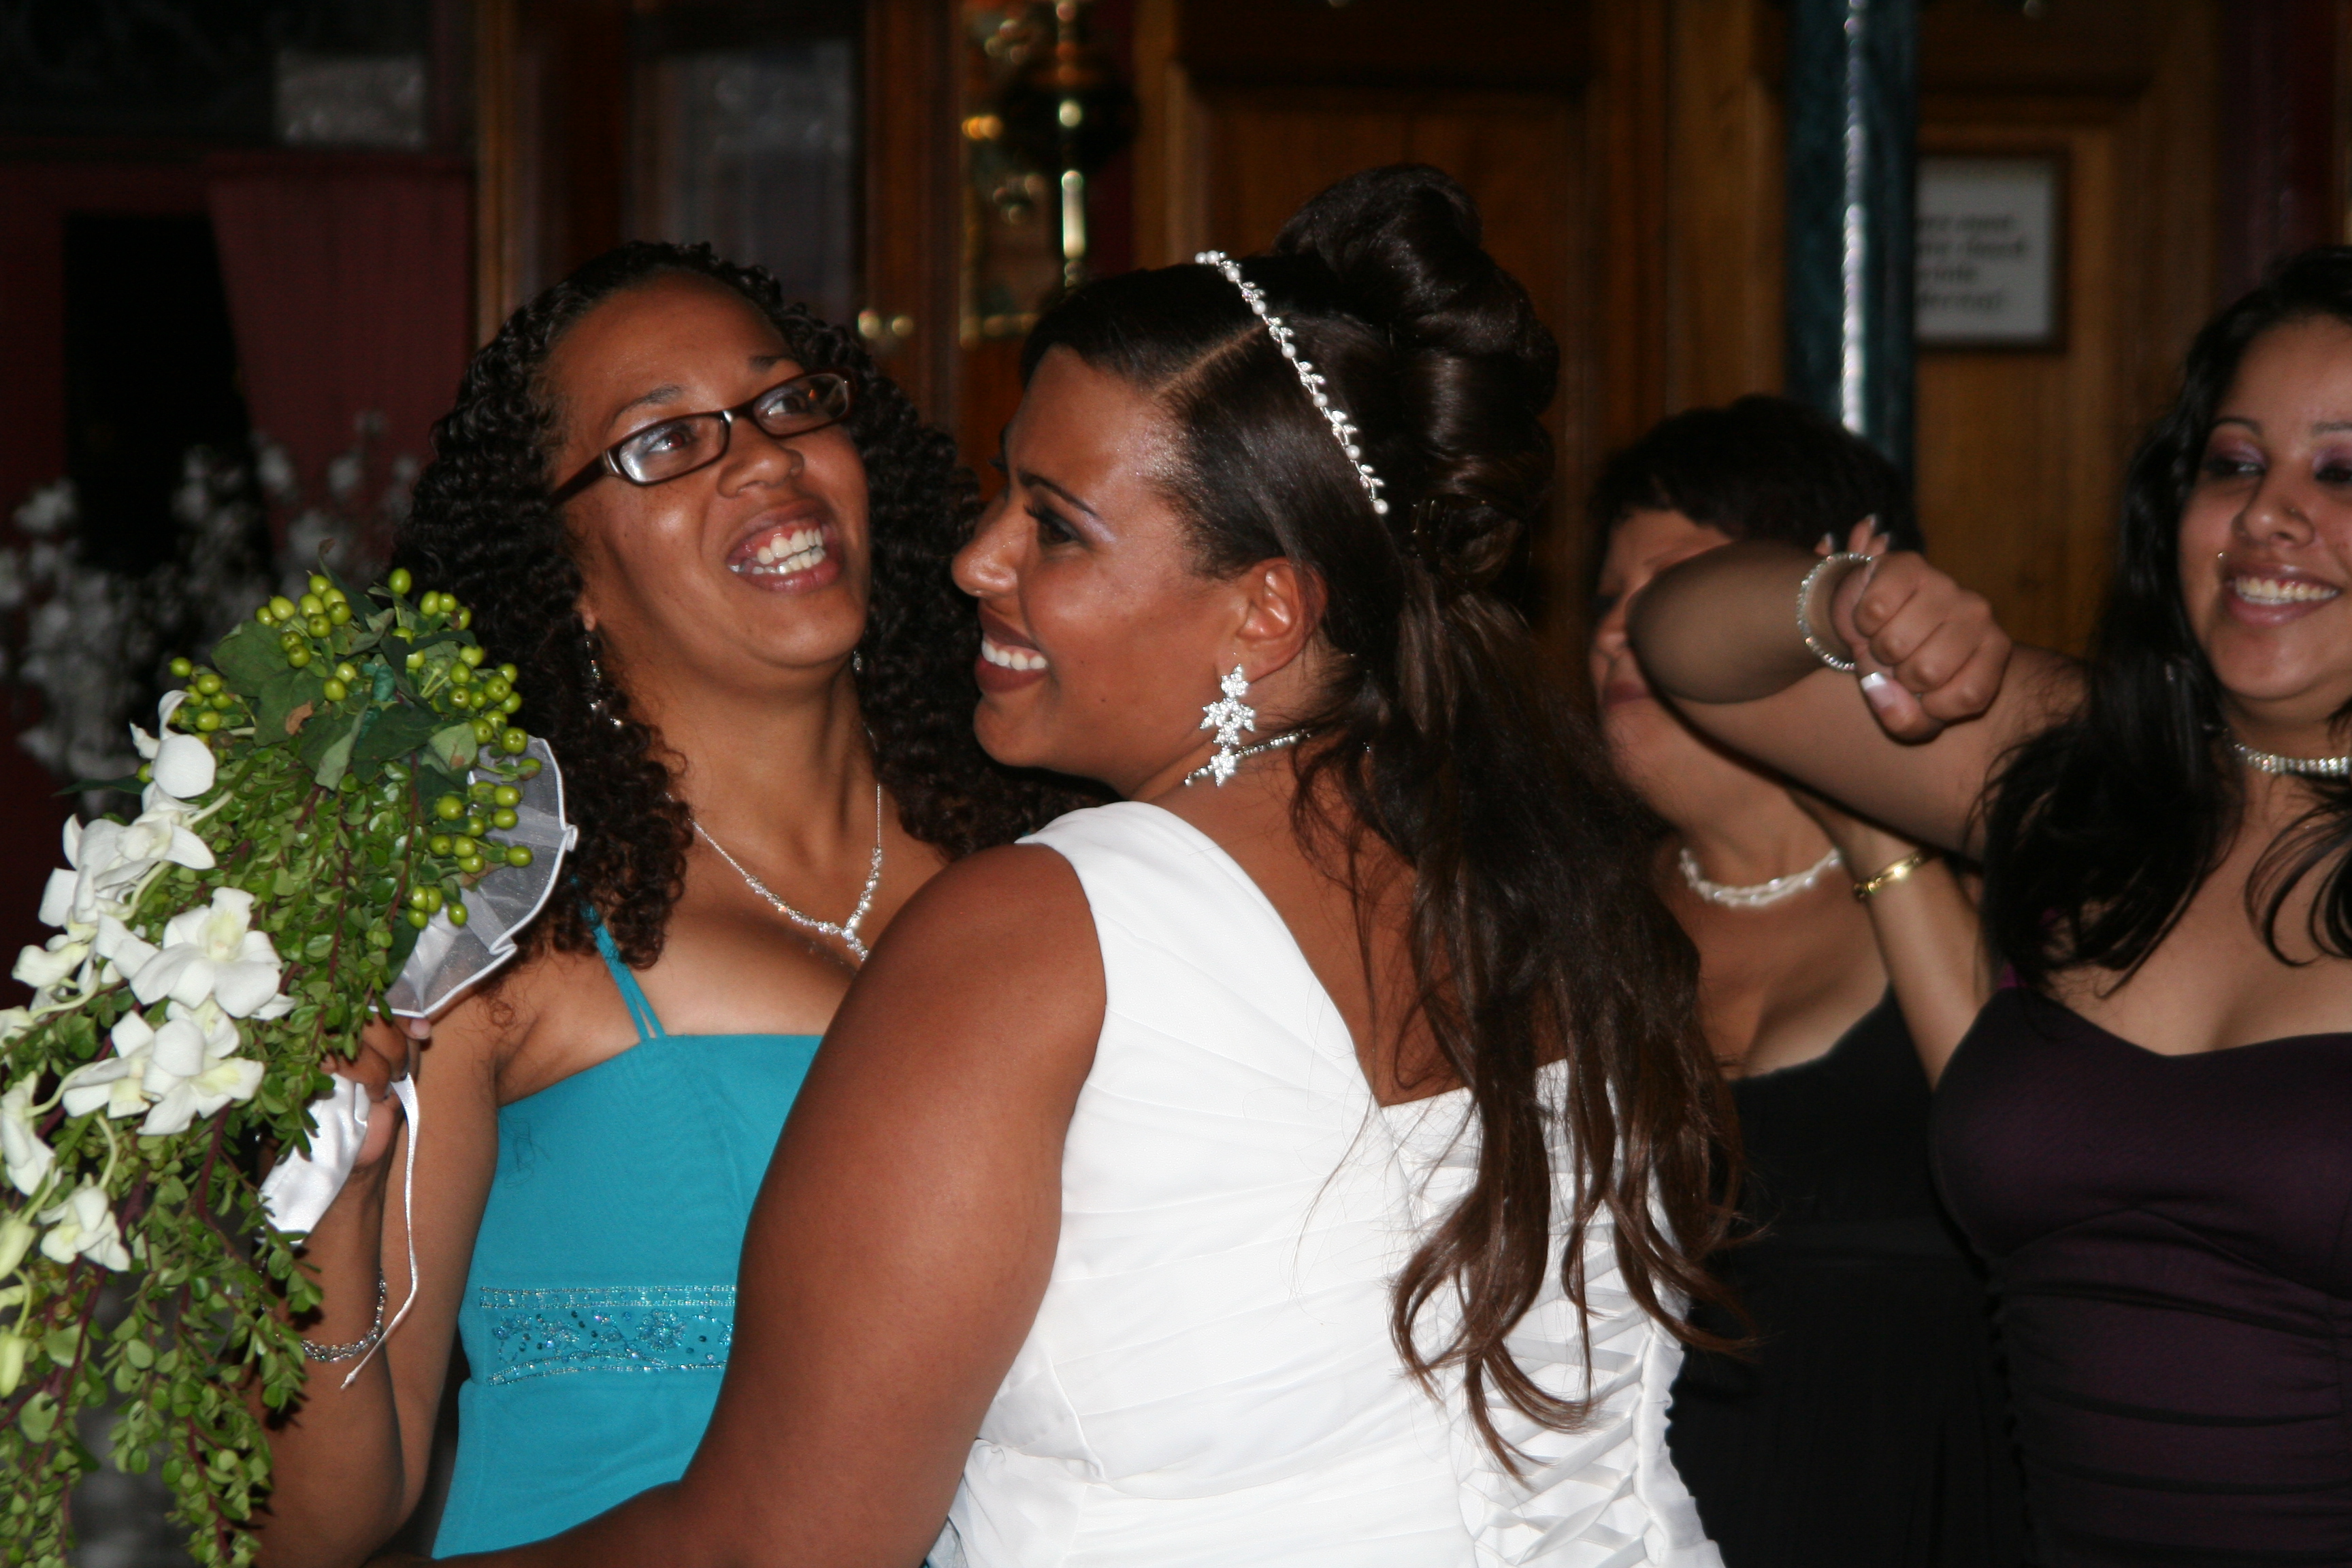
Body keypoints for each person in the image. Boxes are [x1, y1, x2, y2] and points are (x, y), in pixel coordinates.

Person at [414, 165, 1735, 1568]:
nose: (975, 559)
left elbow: (780, 1546)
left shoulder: (1037, 930)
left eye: (1054, 524)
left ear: (1266, 610)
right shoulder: (1557, 889)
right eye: (1002, 493)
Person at [253, 242, 1091, 1565]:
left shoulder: (1053, 862)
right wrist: (338, 1201)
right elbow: (312, 1530)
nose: (762, 459)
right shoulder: (494, 930)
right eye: (664, 442)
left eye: (787, 402)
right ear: (567, 574)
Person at [1627, 249, 2352, 1565]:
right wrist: (1846, 603)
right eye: (2236, 463)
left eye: (2343, 472)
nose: (2268, 516)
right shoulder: (2095, 774)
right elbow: (1688, 643)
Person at [1588, 396, 2024, 1568]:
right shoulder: (1569, 922)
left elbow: (2024, 1195)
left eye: (1671, 593)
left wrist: (1870, 806)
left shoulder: (2002, 892)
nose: (1618, 632)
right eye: (1606, 597)